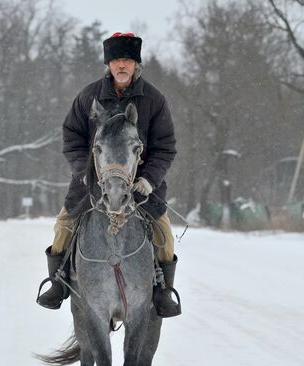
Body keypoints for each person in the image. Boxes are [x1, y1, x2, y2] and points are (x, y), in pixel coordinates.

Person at [37, 32, 180, 318]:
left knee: (164, 232)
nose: (121, 65)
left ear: (136, 64)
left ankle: (163, 291)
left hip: (141, 186)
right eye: (116, 60)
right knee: (64, 223)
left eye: (127, 60)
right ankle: (59, 283)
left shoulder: (154, 99)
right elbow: (72, 136)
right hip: (92, 182)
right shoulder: (88, 96)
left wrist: (149, 179)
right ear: (109, 65)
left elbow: (166, 147)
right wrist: (83, 172)